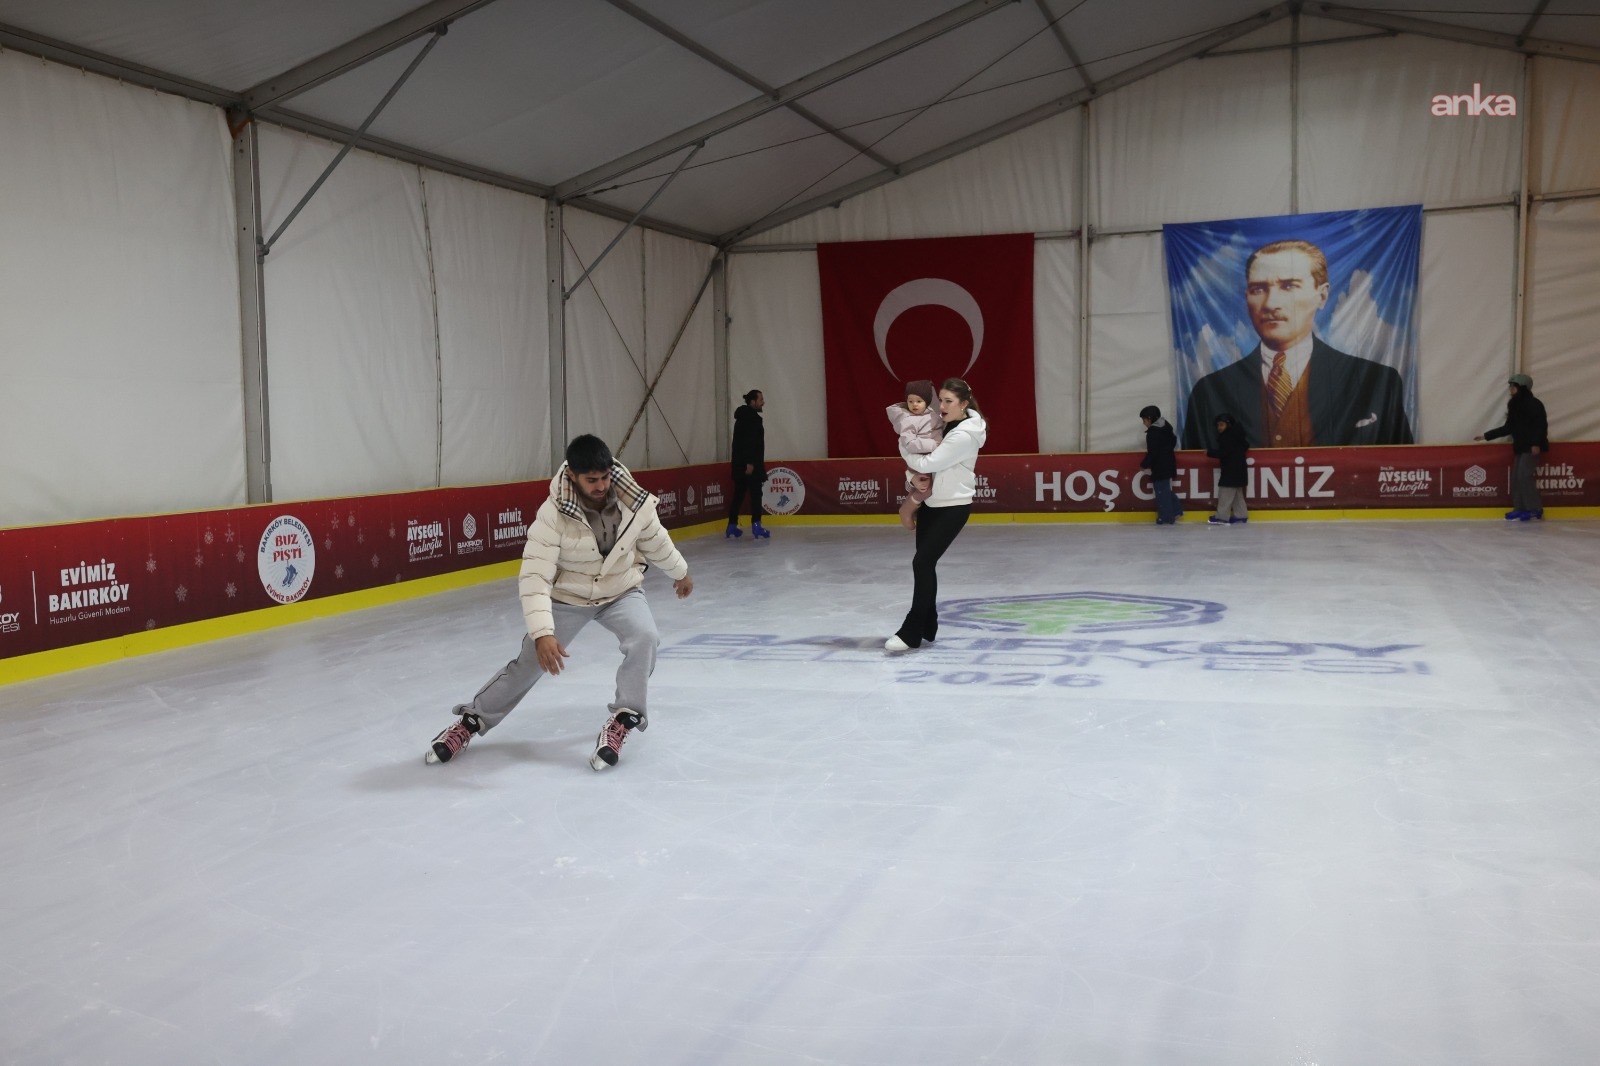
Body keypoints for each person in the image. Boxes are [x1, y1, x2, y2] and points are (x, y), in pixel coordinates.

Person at [425, 434, 693, 771]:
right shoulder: (552, 515)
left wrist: (680, 572)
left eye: (605, 477)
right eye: (591, 480)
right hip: (568, 597)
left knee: (645, 637)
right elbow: (535, 576)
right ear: (573, 477)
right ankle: (470, 722)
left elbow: (655, 540)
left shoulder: (632, 500)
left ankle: (624, 718)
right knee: (529, 664)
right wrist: (542, 633)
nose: (601, 486)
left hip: (620, 591)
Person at [1181, 239, 1413, 450]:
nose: (1271, 303)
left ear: (1322, 296)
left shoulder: (1376, 382)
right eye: (1258, 289)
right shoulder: (1209, 392)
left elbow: (1401, 468)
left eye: (1289, 286)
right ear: (1246, 298)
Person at [886, 378, 987, 653]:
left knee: (922, 562)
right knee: (925, 565)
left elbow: (930, 461)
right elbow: (922, 468)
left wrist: (903, 446)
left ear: (963, 404)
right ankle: (928, 625)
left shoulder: (963, 434)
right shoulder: (942, 425)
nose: (941, 406)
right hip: (932, 503)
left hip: (953, 507)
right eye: (940, 400)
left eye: (948, 401)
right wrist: (912, 478)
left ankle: (911, 631)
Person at [1475, 372, 1549, 521]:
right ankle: (1520, 508)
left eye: (1513, 386)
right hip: (1520, 447)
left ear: (1522, 387)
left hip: (1531, 447)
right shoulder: (1514, 405)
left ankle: (1534, 508)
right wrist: (1486, 436)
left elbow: (1540, 425)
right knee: (1516, 478)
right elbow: (1508, 427)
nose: (1510, 389)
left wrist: (1536, 443)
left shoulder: (1534, 404)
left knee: (1524, 477)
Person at [886, 379, 942, 529]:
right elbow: (909, 444)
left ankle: (916, 510)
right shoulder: (908, 420)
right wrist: (933, 445)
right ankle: (906, 510)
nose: (914, 405)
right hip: (921, 458)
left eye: (919, 401)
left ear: (927, 402)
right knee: (927, 489)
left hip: (930, 458)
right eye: (910, 401)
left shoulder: (932, 415)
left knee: (922, 488)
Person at [727, 389, 768, 539]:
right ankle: (757, 526)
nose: (763, 402)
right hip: (751, 466)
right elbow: (750, 443)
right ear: (753, 401)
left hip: (739, 464)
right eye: (760, 399)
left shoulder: (741, 418)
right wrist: (750, 463)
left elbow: (738, 443)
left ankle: (731, 525)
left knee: (739, 494)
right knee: (756, 495)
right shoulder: (753, 419)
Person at [1139, 404, 1182, 525]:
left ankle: (1167, 517)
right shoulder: (1166, 426)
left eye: (1144, 420)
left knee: (1162, 492)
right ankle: (1176, 510)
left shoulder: (1153, 433)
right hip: (1169, 463)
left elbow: (1153, 452)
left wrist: (1144, 464)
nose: (1143, 423)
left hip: (1160, 466)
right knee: (1165, 490)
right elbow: (1173, 441)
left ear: (1150, 418)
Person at [1206, 413, 1250, 525]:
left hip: (1231, 470)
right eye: (1218, 425)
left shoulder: (1227, 437)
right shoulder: (1237, 435)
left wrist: (1209, 452)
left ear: (1228, 425)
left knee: (1225, 493)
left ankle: (1221, 517)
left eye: (1221, 425)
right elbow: (1245, 446)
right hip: (1239, 469)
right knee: (1237, 495)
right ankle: (1241, 515)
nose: (1219, 427)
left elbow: (1224, 453)